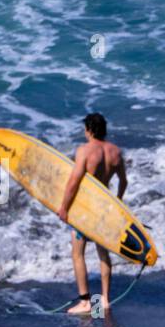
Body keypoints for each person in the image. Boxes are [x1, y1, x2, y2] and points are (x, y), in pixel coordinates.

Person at [58, 113, 128, 315]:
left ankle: (86, 302)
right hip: (105, 210)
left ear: (88, 129)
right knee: (103, 253)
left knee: (78, 254)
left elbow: (74, 182)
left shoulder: (85, 151)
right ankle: (104, 300)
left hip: (85, 211)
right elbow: (124, 181)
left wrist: (64, 207)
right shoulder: (115, 152)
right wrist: (118, 202)